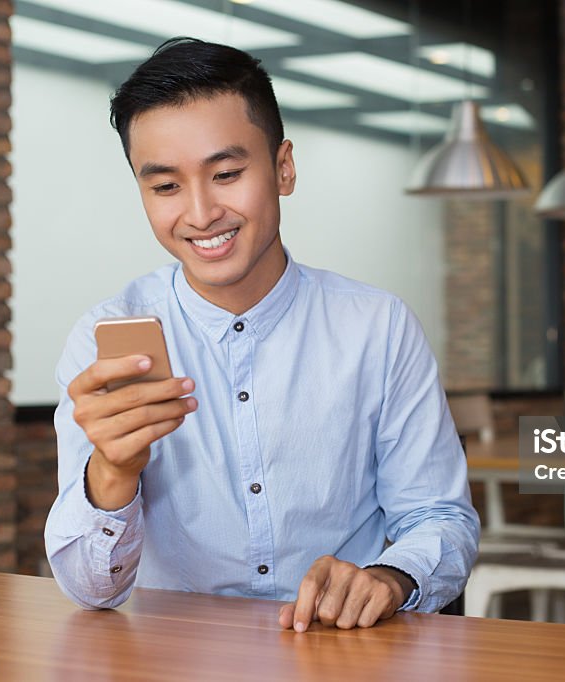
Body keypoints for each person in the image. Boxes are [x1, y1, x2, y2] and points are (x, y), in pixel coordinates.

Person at [44, 37, 480, 632]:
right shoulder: (102, 338)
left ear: (283, 168)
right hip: (177, 662)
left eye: (225, 173)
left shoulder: (377, 326)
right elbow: (89, 593)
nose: (199, 213)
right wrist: (114, 474)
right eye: (166, 186)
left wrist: (389, 577)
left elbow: (439, 516)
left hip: (344, 658)